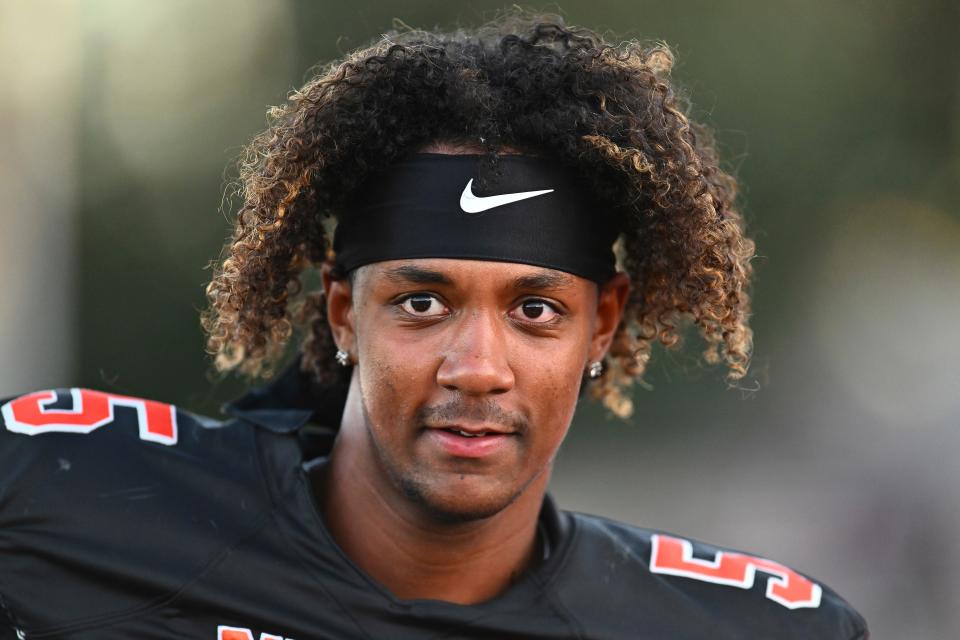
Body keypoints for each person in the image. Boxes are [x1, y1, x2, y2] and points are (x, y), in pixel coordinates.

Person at [0, 12, 868, 640]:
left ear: (601, 327)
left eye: (536, 311)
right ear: (345, 311)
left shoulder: (749, 628)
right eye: (423, 303)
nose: (478, 367)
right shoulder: (58, 499)